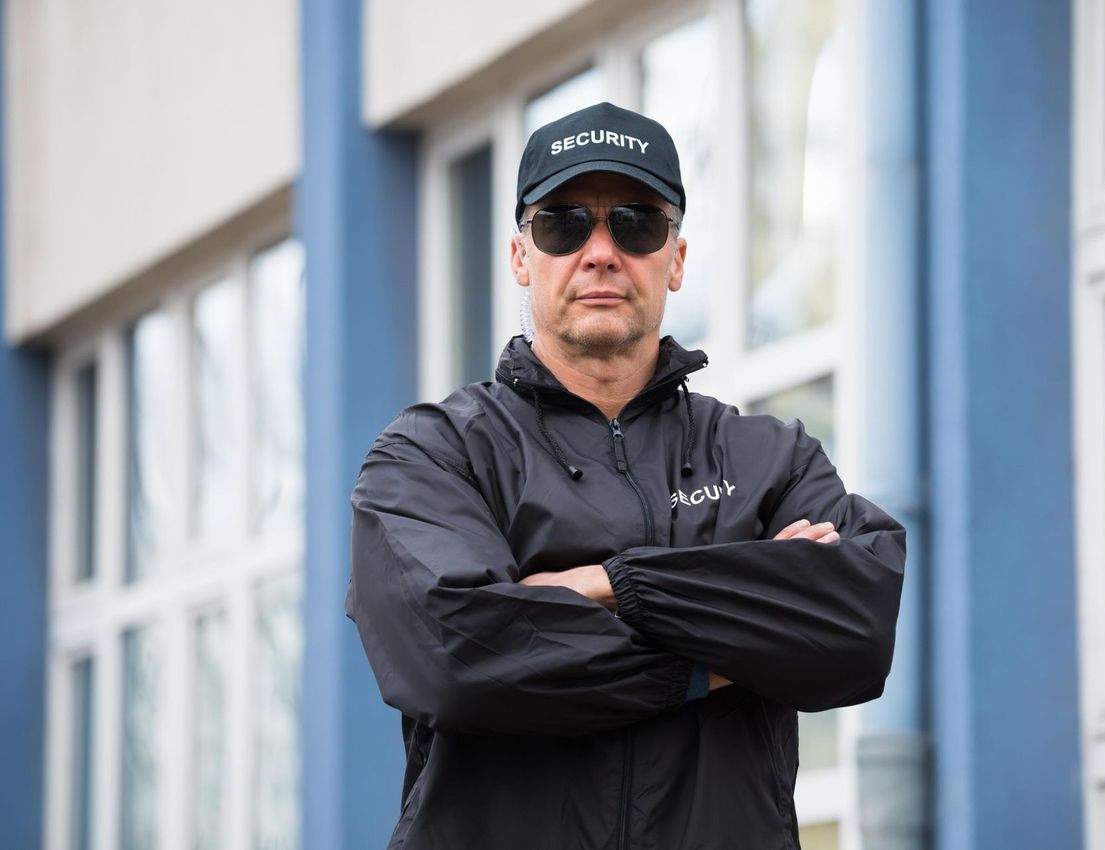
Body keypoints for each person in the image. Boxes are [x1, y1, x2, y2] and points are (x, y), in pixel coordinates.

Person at [347, 101, 906, 849]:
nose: (601, 251)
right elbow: (458, 658)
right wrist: (727, 642)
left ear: (675, 258)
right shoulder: (434, 454)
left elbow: (851, 633)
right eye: (564, 222)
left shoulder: (767, 457)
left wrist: (598, 584)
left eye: (636, 223)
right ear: (521, 255)